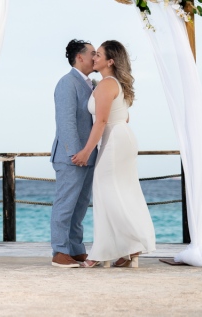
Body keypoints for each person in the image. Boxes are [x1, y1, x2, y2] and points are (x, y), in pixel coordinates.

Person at [71, 40, 156, 268]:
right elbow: (124, 117)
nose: (93, 58)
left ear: (110, 61)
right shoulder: (115, 83)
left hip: (115, 140)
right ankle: (129, 250)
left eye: (98, 55)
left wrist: (86, 151)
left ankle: (103, 253)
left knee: (106, 191)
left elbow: (101, 121)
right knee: (122, 192)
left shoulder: (107, 84)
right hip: (121, 136)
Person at [50, 39, 98, 268]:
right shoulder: (67, 83)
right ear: (79, 57)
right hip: (72, 157)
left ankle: (76, 249)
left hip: (88, 155)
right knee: (65, 204)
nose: (95, 57)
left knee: (80, 206)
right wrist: (76, 153)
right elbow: (66, 121)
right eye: (92, 53)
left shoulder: (92, 84)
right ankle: (60, 252)